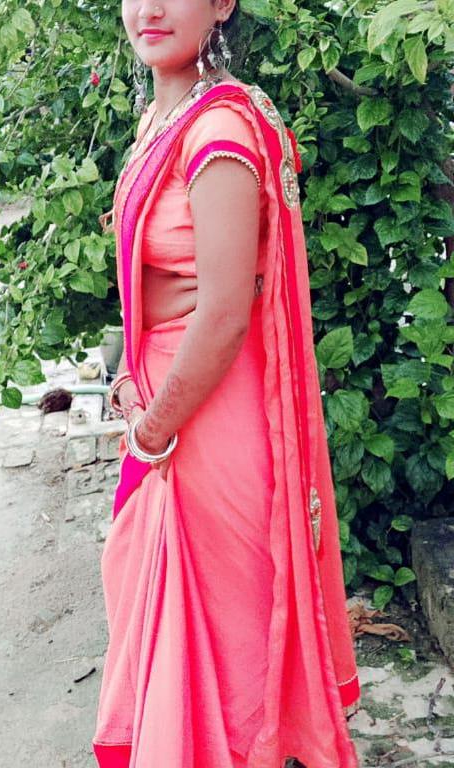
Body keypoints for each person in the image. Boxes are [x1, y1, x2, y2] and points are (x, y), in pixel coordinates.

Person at [92, 1, 361, 766]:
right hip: (163, 406)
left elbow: (221, 314)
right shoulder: (160, 120)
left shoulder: (219, 131)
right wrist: (129, 376)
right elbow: (157, 285)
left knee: (226, 652)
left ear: (220, 5)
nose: (148, 10)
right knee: (168, 636)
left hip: (203, 426)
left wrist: (150, 431)